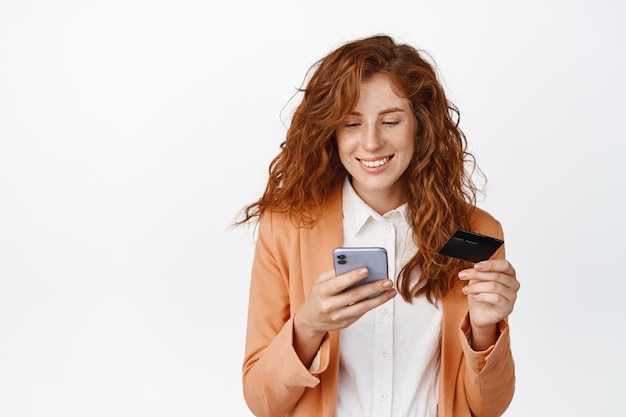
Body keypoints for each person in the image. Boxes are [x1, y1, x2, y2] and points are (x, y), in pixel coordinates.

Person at [237, 34, 520, 417]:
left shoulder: (475, 232)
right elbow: (261, 401)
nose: (371, 142)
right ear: (330, 132)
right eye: (351, 123)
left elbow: (488, 408)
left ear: (420, 125)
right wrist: (307, 327)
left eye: (390, 120)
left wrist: (485, 332)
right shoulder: (287, 228)